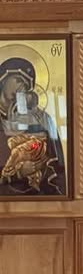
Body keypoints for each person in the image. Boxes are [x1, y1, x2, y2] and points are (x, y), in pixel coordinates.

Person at [0, 56, 66, 195]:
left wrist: (39, 167)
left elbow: (56, 167)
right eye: (18, 80)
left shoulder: (41, 119)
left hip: (36, 199)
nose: (21, 88)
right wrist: (18, 173)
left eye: (26, 86)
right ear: (3, 79)